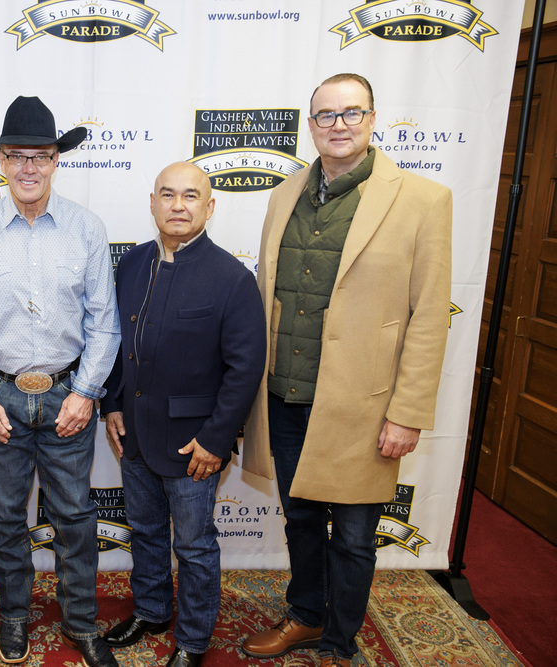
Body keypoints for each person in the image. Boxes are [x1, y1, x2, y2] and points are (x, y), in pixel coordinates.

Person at [239, 73, 452, 667]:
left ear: (372, 118)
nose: (338, 124)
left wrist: (407, 414)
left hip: (366, 404)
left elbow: (430, 317)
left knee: (355, 537)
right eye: (326, 115)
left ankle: (340, 641)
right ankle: (306, 617)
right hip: (284, 394)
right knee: (301, 520)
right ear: (310, 126)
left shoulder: (424, 200)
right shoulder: (283, 194)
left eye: (351, 113)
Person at [0, 96, 121, 667]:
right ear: (0, 160)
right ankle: (14, 615)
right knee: (4, 514)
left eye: (40, 156)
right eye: (16, 155)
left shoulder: (86, 230)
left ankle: (80, 621)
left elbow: (105, 324)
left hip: (69, 396)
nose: (28, 167)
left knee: (74, 514)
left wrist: (86, 392)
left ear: (54, 161)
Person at [100, 162, 266, 667]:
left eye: (190, 196)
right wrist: (111, 404)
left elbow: (245, 369)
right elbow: (113, 342)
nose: (177, 205)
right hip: (134, 435)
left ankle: (193, 641)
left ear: (209, 207)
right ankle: (152, 610)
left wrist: (216, 440)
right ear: (152, 203)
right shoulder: (130, 264)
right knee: (146, 532)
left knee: (193, 547)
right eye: (167, 195)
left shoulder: (231, 278)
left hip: (194, 444)